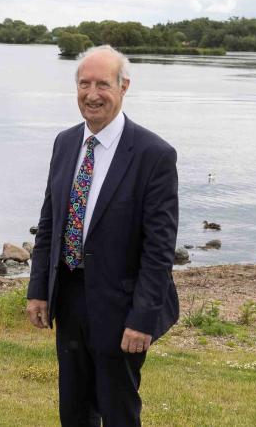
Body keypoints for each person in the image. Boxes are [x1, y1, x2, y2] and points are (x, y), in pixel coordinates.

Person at [25, 45, 180, 427]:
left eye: (103, 84)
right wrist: (38, 289)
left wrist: (142, 318)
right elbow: (49, 224)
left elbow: (159, 249)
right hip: (71, 296)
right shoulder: (65, 143)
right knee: (73, 408)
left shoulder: (153, 154)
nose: (92, 94)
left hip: (122, 305)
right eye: (84, 84)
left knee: (118, 409)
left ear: (124, 86)